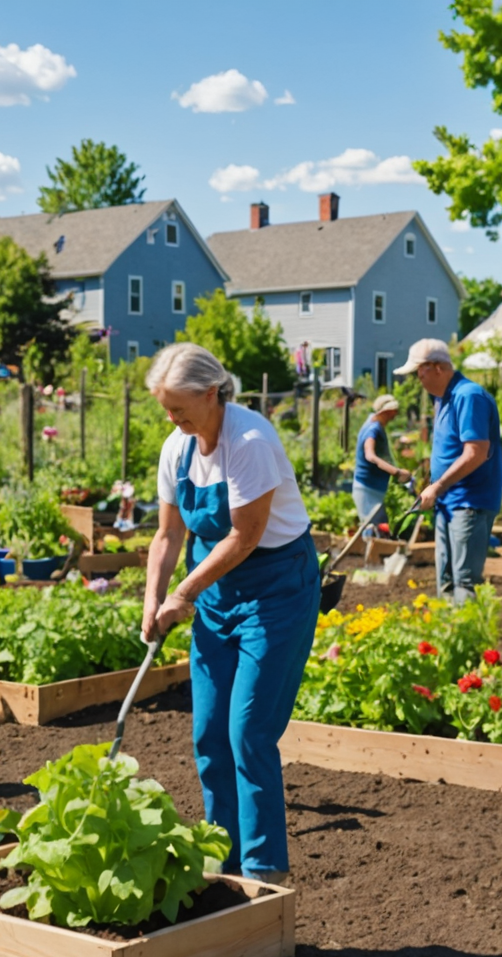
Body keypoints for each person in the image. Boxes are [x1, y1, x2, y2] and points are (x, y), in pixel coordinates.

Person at [144, 343, 316, 884]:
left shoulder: (250, 441)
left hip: (275, 590)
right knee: (209, 733)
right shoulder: (178, 447)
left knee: (248, 732)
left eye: (180, 408)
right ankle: (223, 861)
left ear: (213, 393)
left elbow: (244, 536)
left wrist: (184, 594)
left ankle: (263, 873)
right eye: (166, 409)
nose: (172, 419)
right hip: (216, 596)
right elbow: (169, 533)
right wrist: (154, 598)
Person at [399, 338, 502, 605]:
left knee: (465, 581)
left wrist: (437, 485)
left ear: (436, 368)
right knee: (445, 580)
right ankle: (446, 639)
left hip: (470, 502)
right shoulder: (442, 399)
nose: (417, 379)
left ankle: (467, 641)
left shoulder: (468, 396)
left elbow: (476, 452)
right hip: (449, 501)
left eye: (419, 372)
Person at [351, 393, 412, 534]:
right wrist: (397, 472)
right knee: (373, 533)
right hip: (367, 489)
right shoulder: (372, 429)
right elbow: (370, 455)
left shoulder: (374, 424)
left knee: (379, 529)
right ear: (385, 412)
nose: (395, 414)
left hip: (372, 488)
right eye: (393, 411)